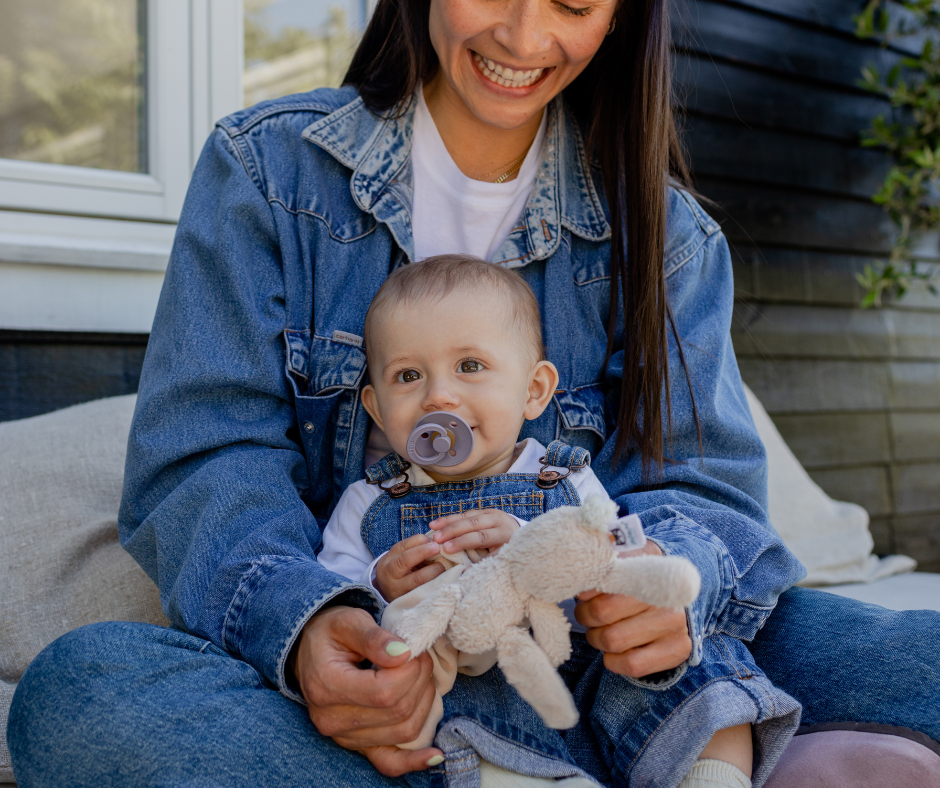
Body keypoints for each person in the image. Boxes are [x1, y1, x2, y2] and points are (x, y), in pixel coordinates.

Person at [7, 0, 940, 784]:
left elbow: (703, 487)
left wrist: (670, 597)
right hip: (412, 664)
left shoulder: (671, 239)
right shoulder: (266, 174)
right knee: (81, 694)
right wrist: (309, 627)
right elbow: (204, 456)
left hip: (616, 666)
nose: (526, 39)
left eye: (575, 2)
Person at [318, 253, 800, 786]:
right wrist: (379, 583)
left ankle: (709, 775)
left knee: (692, 659)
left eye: (470, 367)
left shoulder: (562, 478)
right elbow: (336, 594)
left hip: (590, 665)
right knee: (441, 711)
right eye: (408, 375)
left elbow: (607, 568)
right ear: (379, 410)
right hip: (484, 688)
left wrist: (530, 548)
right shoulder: (372, 501)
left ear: (533, 391)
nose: (440, 396)